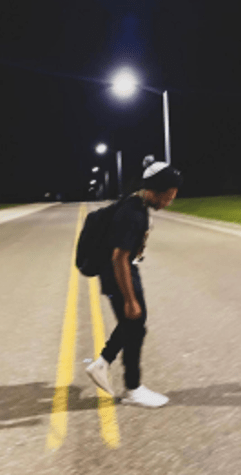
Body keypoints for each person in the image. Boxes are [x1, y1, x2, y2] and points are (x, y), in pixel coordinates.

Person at [86, 155, 184, 408]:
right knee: (134, 325)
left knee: (134, 325)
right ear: (155, 191)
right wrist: (129, 299)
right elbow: (119, 257)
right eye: (168, 196)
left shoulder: (136, 202)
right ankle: (133, 389)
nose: (170, 201)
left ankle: (102, 364)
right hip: (118, 273)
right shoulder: (133, 214)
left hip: (122, 270)